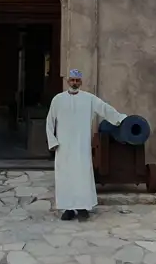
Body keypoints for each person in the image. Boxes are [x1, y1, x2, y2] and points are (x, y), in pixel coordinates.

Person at [46, 69, 126, 221]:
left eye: (77, 80)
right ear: (68, 81)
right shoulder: (58, 100)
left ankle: (82, 208)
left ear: (80, 82)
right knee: (65, 177)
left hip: (81, 145)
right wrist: (53, 141)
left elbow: (104, 109)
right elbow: (49, 122)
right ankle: (68, 209)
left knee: (82, 176)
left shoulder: (89, 99)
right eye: (72, 80)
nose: (74, 83)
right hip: (64, 147)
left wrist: (120, 119)